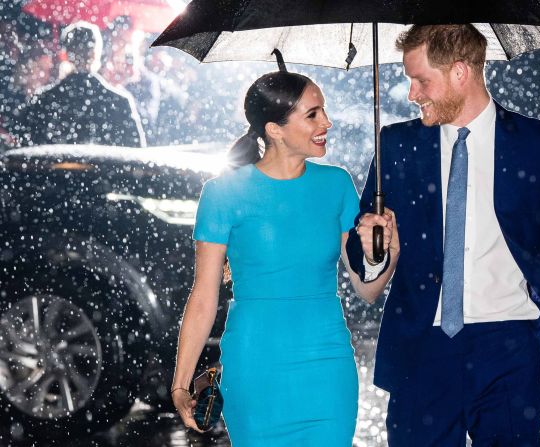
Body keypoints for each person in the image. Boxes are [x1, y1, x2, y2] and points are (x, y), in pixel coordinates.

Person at [346, 25, 540, 446]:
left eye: (421, 80)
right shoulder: (397, 144)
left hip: (510, 349)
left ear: (461, 72)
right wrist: (371, 251)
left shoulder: (538, 143)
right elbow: (363, 245)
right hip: (422, 349)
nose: (411, 94)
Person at [170, 71, 398, 445]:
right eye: (313, 114)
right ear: (274, 129)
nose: (327, 122)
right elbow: (204, 296)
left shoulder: (337, 184)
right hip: (255, 366)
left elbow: (367, 289)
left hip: (328, 367)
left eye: (323, 111)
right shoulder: (222, 194)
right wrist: (181, 383)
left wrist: (383, 253)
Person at [13, 21, 145, 147]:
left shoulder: (43, 100)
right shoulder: (119, 102)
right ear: (96, 54)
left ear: (66, 55)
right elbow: (136, 155)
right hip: (105, 170)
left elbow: (26, 149)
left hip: (55, 170)